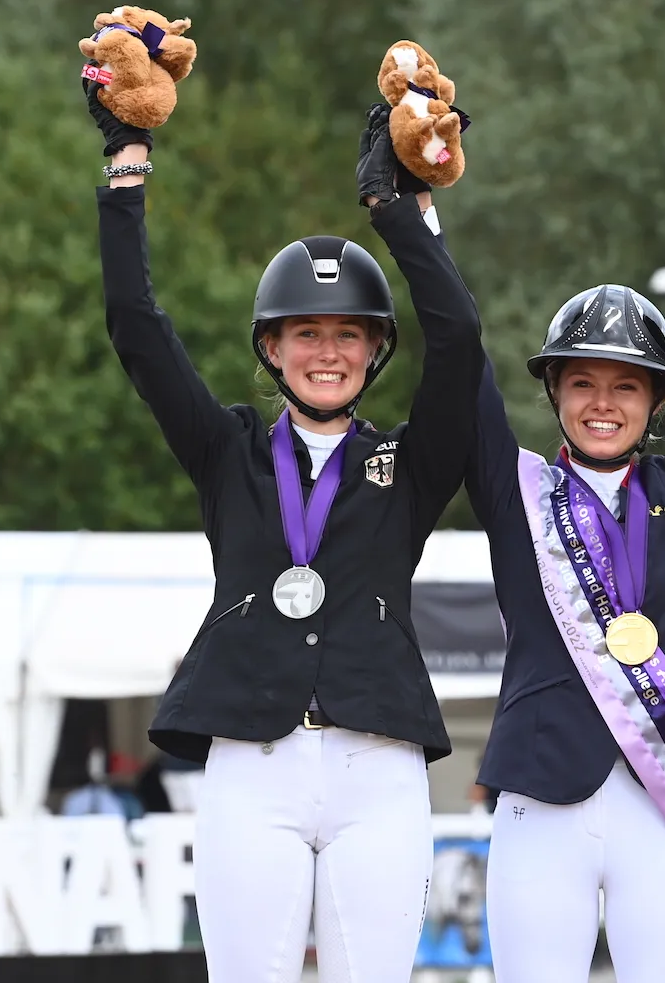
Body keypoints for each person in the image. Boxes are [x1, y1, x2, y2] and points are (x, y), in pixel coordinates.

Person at [87, 58, 482, 982]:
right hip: (251, 763)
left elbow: (461, 341)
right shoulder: (226, 450)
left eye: (348, 333)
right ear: (271, 346)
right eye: (306, 332)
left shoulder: (408, 466)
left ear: (375, 350)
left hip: (376, 767)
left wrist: (392, 209)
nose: (327, 351)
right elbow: (136, 326)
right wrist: (127, 162)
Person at [463, 90, 665, 982]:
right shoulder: (513, 488)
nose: (602, 403)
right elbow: (457, 348)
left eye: (626, 385)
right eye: (581, 383)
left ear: (655, 400)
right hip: (544, 791)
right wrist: (414, 202)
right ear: (553, 394)